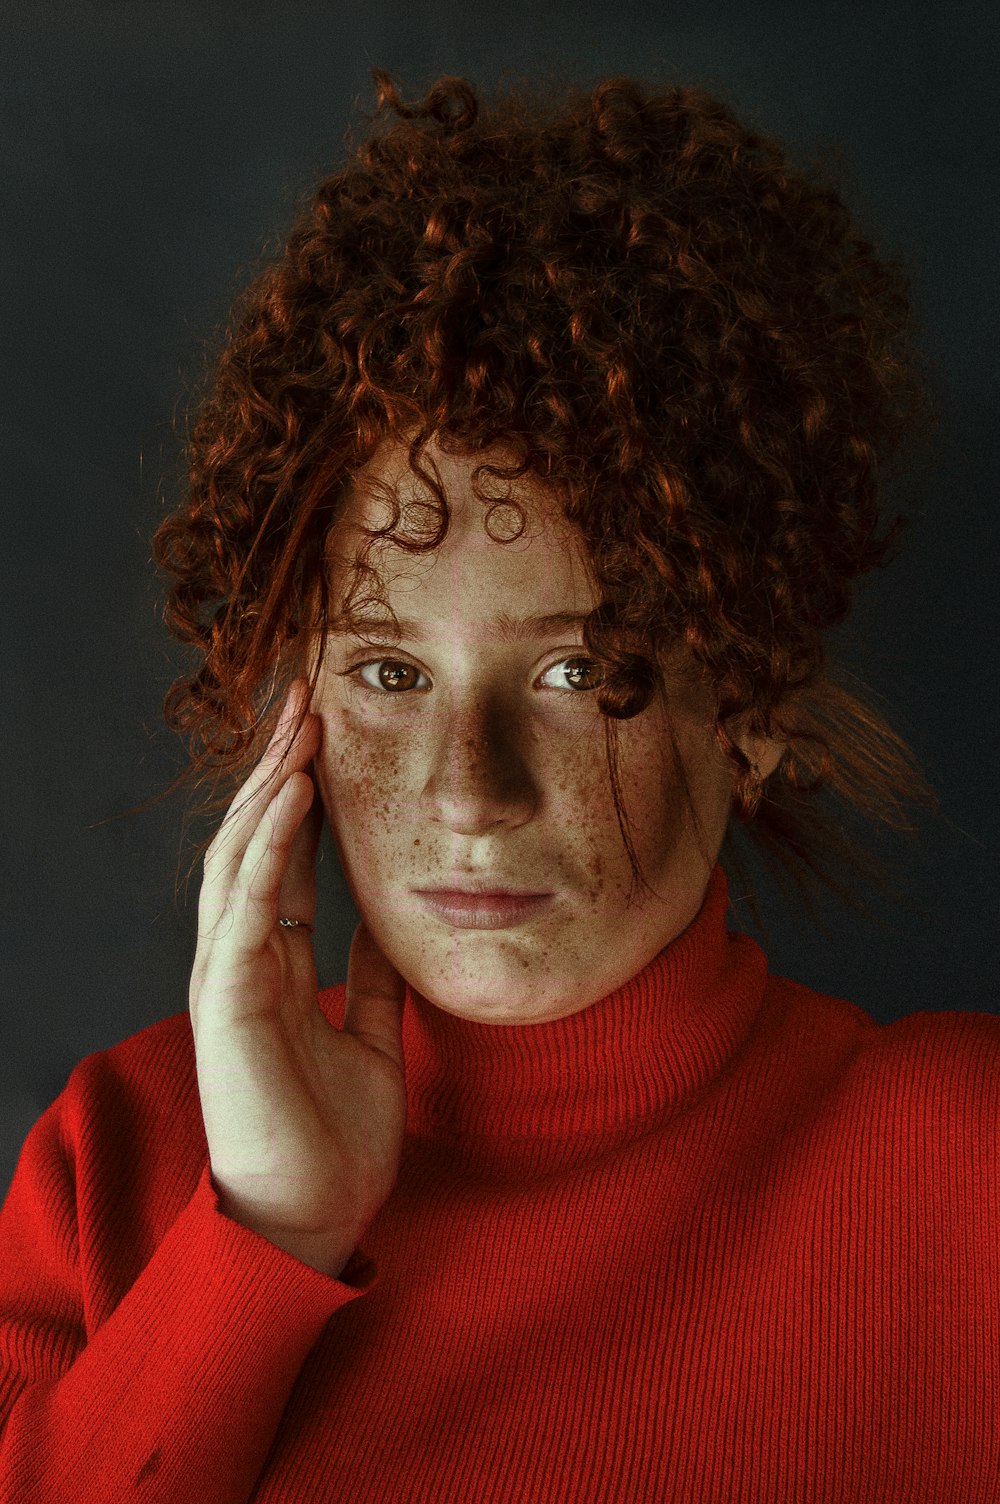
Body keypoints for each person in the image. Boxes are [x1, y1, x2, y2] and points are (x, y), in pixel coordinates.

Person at [0, 68, 995, 1504]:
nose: (470, 794)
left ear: (756, 709)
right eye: (391, 675)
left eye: (582, 675)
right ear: (298, 705)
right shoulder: (122, 1161)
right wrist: (263, 1242)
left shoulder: (970, 1175)